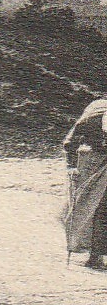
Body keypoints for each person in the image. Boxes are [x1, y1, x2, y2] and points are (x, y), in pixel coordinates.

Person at [63, 96, 107, 269]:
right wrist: (71, 166)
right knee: (89, 205)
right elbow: (69, 142)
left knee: (103, 208)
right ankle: (92, 254)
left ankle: (97, 255)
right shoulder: (91, 119)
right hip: (92, 160)